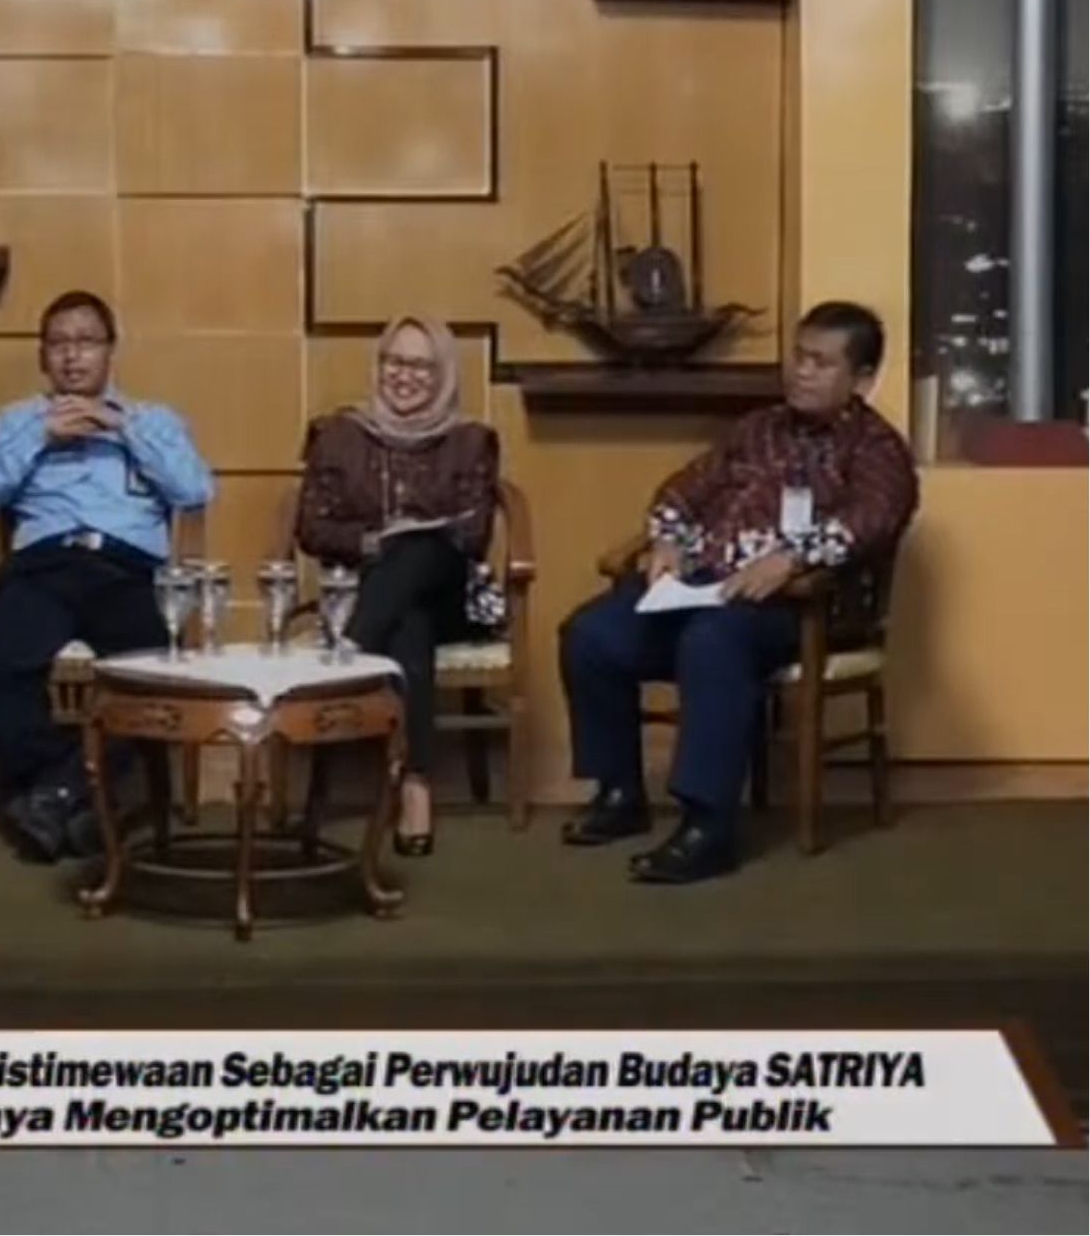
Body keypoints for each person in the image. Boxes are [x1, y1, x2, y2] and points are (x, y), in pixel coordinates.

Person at [558, 301, 920, 884]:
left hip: (797, 608)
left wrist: (794, 558)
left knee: (713, 641)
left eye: (821, 362)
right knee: (591, 634)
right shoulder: (756, 430)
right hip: (705, 587)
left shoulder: (878, 452)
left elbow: (872, 520)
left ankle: (709, 826)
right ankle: (620, 793)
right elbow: (686, 487)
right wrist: (668, 537)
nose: (801, 371)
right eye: (798, 356)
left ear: (861, 378)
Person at [0, 290, 214, 864]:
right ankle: (76, 794)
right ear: (42, 356)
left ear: (110, 351)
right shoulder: (18, 421)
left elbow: (194, 489)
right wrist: (40, 439)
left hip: (126, 570)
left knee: (152, 674)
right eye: (59, 344)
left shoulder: (152, 420)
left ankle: (52, 797)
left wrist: (123, 430)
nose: (73, 356)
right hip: (44, 565)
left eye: (86, 342)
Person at [295, 316, 500, 857]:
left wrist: (409, 536)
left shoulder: (470, 441)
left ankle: (344, 666)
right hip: (367, 591)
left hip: (449, 591)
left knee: (418, 551)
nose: (403, 375)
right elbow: (311, 528)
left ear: (444, 374)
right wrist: (371, 543)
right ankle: (415, 784)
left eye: (421, 366)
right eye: (394, 362)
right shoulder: (337, 435)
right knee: (410, 623)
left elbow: (474, 534)